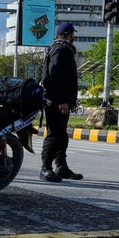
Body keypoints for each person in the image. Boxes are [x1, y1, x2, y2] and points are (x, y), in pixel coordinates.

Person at [39, 21, 83, 182]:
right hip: (56, 102)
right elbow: (54, 77)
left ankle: (61, 167)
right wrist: (61, 101)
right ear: (70, 34)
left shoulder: (60, 48)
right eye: (73, 34)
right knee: (54, 134)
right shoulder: (61, 49)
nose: (74, 36)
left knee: (61, 135)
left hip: (59, 100)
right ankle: (46, 168)